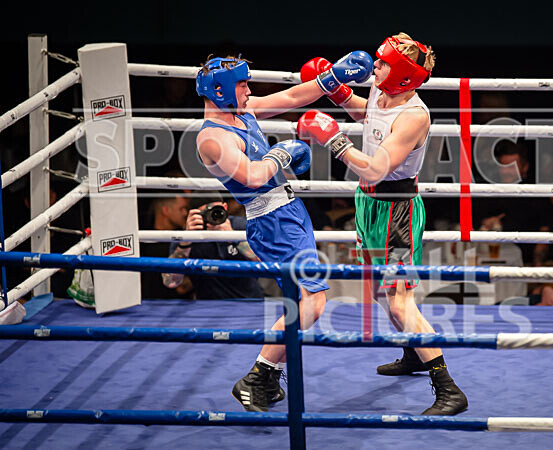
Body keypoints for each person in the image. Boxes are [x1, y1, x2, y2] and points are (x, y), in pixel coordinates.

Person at [297, 33, 468, 416]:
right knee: (380, 290)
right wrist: (338, 93)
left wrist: (334, 140)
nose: (374, 66)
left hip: (396, 211)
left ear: (404, 76)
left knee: (399, 299)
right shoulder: (381, 88)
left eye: (383, 62)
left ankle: (448, 388)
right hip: (368, 203)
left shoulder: (414, 116)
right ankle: (413, 353)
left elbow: (375, 167)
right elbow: (369, 116)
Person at [194, 53, 372, 412]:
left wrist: (333, 78)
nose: (249, 91)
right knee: (313, 302)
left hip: (288, 212)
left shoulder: (243, 112)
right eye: (242, 85)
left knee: (303, 298)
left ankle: (269, 378)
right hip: (272, 222)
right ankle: (256, 377)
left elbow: (292, 96)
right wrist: (282, 153)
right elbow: (253, 176)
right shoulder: (212, 138)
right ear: (220, 90)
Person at [161, 192, 263, 299]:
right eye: (206, 213)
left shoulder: (239, 225)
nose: (213, 216)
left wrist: (233, 237)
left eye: (217, 210)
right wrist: (185, 244)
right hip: (208, 304)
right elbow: (170, 282)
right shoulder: (187, 236)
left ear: (225, 207)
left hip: (250, 301)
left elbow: (263, 262)